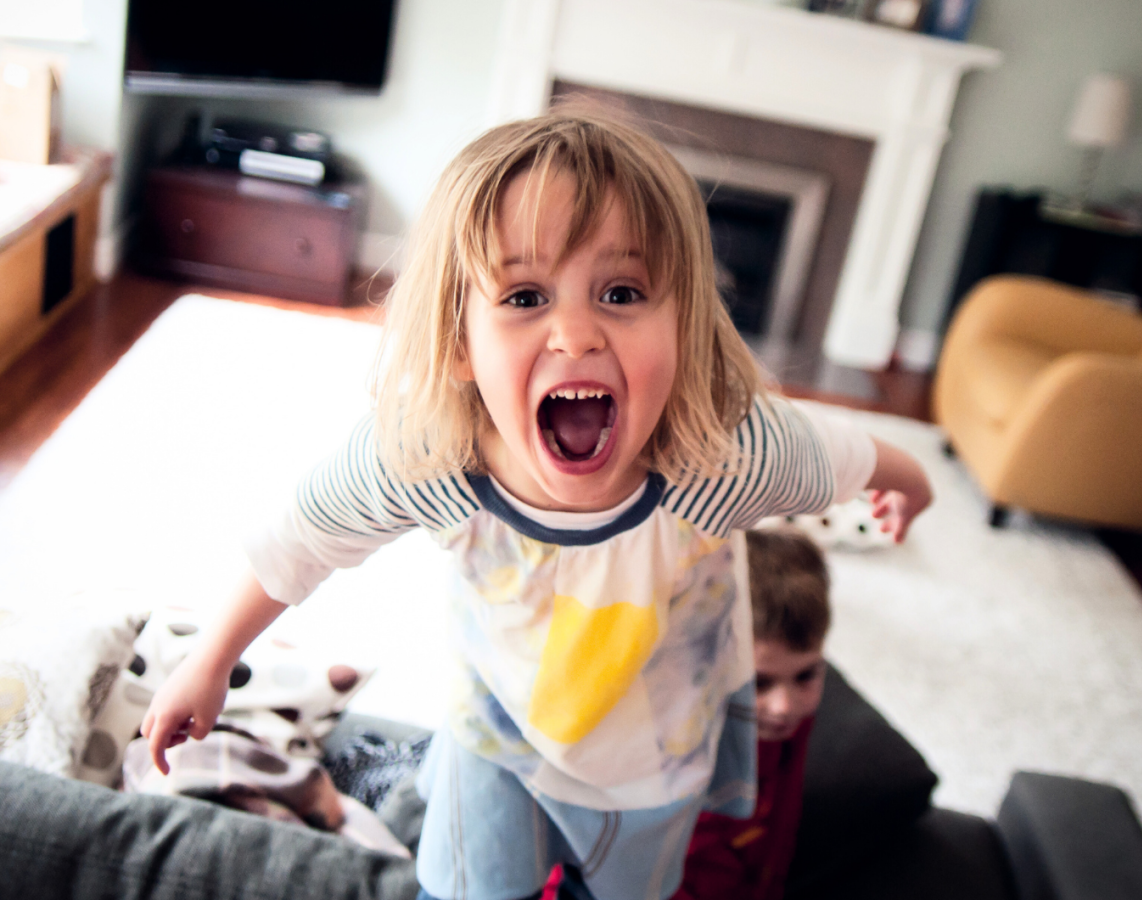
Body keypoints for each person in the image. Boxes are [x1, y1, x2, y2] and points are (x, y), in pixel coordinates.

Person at [140, 106, 932, 900]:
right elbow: (297, 542)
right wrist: (210, 661)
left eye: (621, 292)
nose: (576, 334)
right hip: (496, 738)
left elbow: (848, 455)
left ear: (685, 326)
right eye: (524, 296)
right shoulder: (425, 456)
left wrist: (911, 483)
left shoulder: (726, 456)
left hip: (656, 765)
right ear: (458, 340)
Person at [672, 528, 833, 900]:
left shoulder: (789, 721)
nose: (784, 707)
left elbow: (783, 820)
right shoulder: (674, 743)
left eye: (806, 676)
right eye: (759, 683)